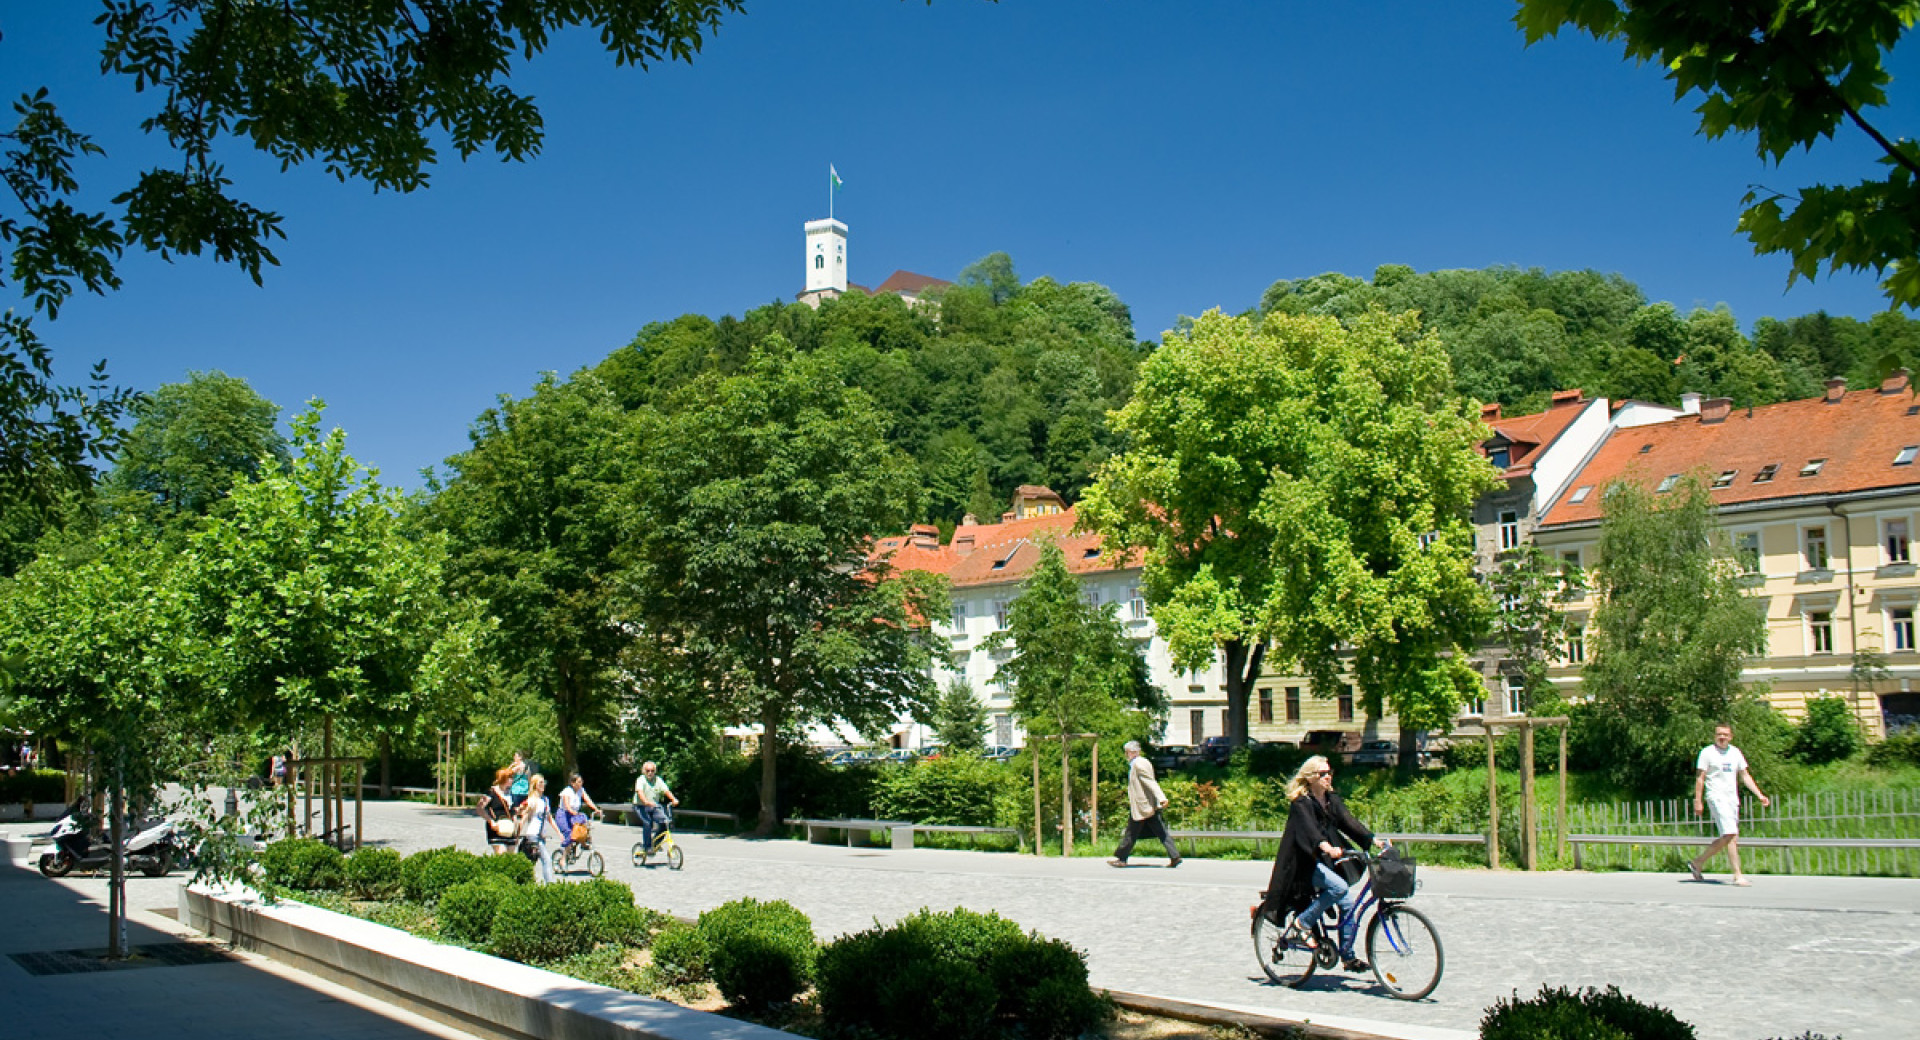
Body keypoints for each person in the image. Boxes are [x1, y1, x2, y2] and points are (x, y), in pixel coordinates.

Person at [1261, 755, 1385, 974]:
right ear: (1310, 778)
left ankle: (1348, 957)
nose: (1328, 777)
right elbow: (1310, 831)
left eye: (1329, 772)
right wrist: (1326, 847)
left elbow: (1348, 822)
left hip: (1321, 859)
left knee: (1347, 903)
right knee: (1339, 888)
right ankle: (1302, 924)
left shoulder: (1330, 799)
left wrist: (1372, 839)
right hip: (1302, 862)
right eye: (1322, 774)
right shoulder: (1301, 803)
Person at [1689, 722, 1771, 886]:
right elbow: (1700, 778)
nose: (1722, 737)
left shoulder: (1735, 753)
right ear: (1715, 736)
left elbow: (1745, 775)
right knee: (1730, 833)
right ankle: (1736, 874)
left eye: (1725, 734)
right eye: (1719, 734)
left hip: (1732, 798)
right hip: (1716, 797)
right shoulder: (1707, 753)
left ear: (1730, 737)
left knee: (1731, 837)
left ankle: (1700, 863)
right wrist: (1698, 801)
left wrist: (1759, 794)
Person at [1108, 740, 1181, 868]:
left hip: (1142, 806)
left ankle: (1122, 858)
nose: (1126, 755)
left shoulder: (1138, 765)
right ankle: (1174, 856)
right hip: (1147, 805)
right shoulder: (1144, 762)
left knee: (1131, 832)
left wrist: (1161, 797)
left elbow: (1150, 782)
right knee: (1160, 832)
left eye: (1127, 752)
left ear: (1131, 752)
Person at [516, 774, 559, 883]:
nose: (543, 785)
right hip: (533, 835)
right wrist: (517, 835)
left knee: (531, 861)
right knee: (546, 859)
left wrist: (559, 832)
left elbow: (549, 818)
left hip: (541, 836)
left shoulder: (545, 800)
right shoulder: (532, 800)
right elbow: (524, 818)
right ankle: (550, 884)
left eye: (543, 782)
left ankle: (523, 881)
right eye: (540, 782)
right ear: (535, 785)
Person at [633, 761, 678, 852]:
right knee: (647, 823)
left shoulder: (658, 780)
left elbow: (665, 790)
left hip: (654, 806)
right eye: (648, 770)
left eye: (652, 771)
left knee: (665, 822)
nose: (650, 773)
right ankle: (647, 846)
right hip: (641, 806)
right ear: (644, 771)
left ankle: (655, 843)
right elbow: (640, 792)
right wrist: (645, 801)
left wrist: (673, 799)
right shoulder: (641, 780)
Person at [556, 773, 600, 849]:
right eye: (579, 782)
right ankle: (564, 856)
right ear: (573, 783)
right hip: (564, 814)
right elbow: (567, 805)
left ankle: (583, 843)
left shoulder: (581, 790)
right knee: (569, 833)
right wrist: (572, 811)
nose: (581, 783)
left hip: (574, 814)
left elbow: (588, 800)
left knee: (584, 826)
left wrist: (596, 809)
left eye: (581, 781)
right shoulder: (567, 791)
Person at [480, 767, 518, 855]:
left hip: (509, 829)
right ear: (503, 778)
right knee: (501, 854)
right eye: (509, 777)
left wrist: (516, 829)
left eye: (512, 777)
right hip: (497, 828)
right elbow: (480, 808)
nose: (511, 780)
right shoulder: (491, 792)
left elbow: (513, 812)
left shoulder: (510, 794)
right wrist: (491, 821)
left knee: (510, 857)